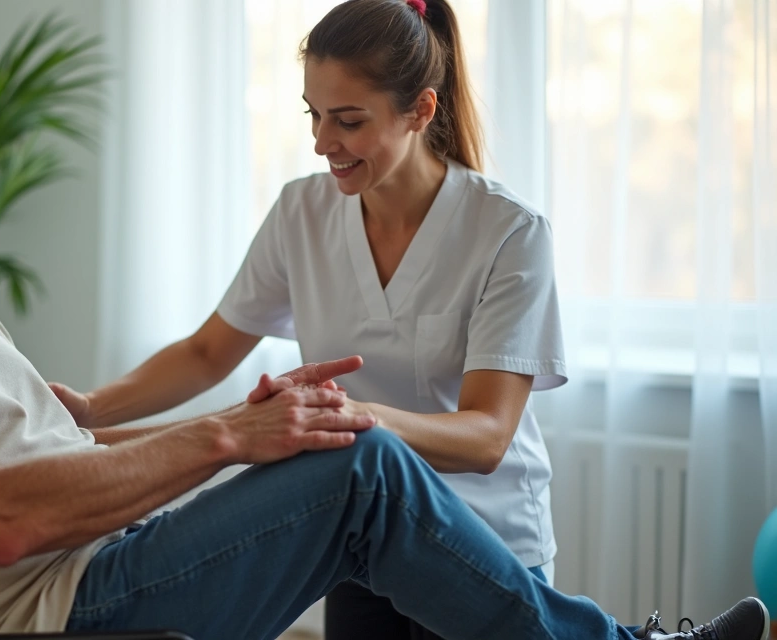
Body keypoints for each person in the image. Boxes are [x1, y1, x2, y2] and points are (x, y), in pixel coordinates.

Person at [0, 22, 770, 640]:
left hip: (97, 560)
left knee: (348, 455)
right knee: (359, 465)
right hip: (60, 601)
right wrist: (226, 435)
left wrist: (244, 427)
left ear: (420, 112)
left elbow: (57, 453)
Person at [47, 0, 554, 637]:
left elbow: (486, 437)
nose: (321, 143)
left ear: (420, 110)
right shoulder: (301, 212)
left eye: (347, 121)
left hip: (487, 543)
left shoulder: (507, 232)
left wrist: (354, 419)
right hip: (361, 543)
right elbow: (208, 353)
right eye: (313, 115)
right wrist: (92, 409)